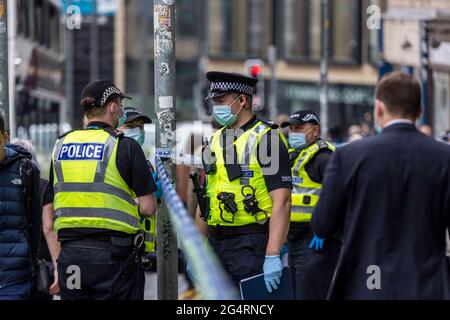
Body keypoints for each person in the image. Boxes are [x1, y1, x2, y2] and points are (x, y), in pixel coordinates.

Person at [311, 72, 450, 299]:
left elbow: (322, 224)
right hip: (425, 283)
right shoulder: (443, 157)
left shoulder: (348, 156)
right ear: (419, 111)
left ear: (378, 109)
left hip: (367, 280)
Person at [45, 80, 157, 300]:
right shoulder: (124, 145)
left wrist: (58, 263)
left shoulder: (60, 145)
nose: (122, 112)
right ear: (113, 108)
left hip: (70, 256)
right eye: (121, 106)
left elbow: (48, 219)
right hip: (113, 258)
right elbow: (148, 207)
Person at [195, 72, 292, 293]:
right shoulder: (216, 139)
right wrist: (198, 251)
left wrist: (272, 253)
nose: (216, 107)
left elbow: (283, 201)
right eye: (215, 102)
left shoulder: (267, 138)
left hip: (252, 243)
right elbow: (205, 195)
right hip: (217, 242)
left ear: (242, 100)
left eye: (221, 101)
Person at [280, 110, 340, 300]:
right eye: (291, 128)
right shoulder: (295, 155)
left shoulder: (323, 158)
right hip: (295, 239)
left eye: (299, 128)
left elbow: (339, 196)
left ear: (315, 131)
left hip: (316, 242)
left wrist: (325, 230)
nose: (294, 132)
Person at [11, 138, 59, 300]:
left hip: (10, 262)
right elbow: (48, 227)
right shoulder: (44, 185)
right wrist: (58, 264)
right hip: (40, 263)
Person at [0, 115, 42, 300]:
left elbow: (36, 223)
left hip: (15, 278)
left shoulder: (25, 170)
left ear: (5, 137)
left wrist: (31, 262)